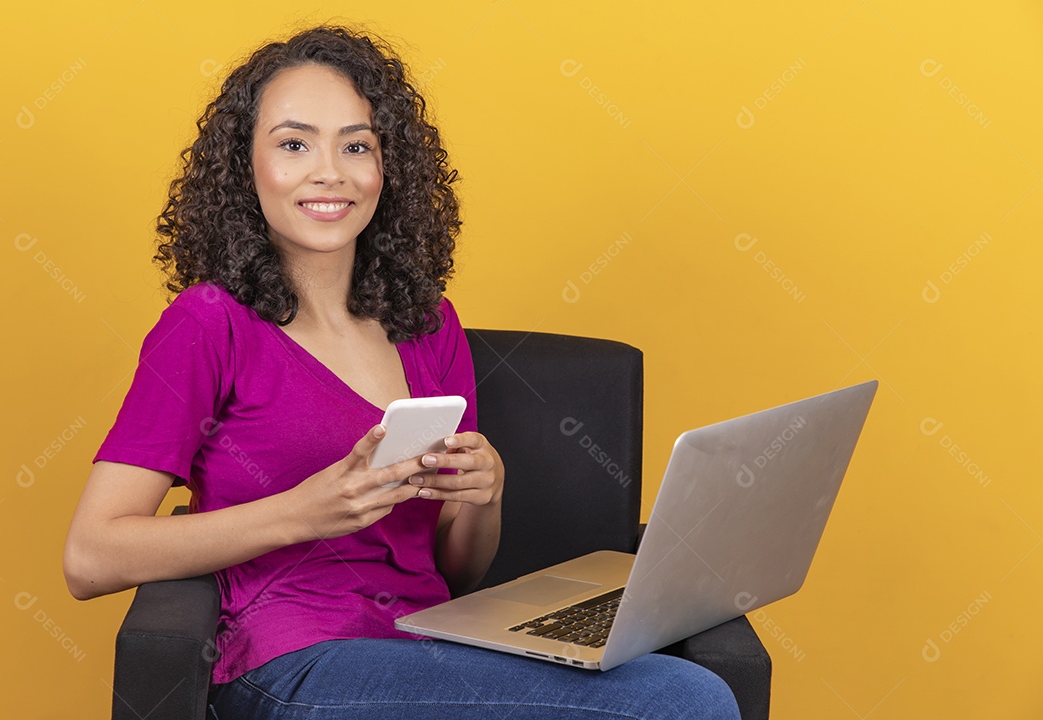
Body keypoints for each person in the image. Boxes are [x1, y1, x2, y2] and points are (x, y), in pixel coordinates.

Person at [63, 24, 742, 720]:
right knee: (684, 698)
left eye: (356, 145)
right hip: (294, 662)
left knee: (660, 678)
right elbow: (91, 556)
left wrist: (485, 494)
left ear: (388, 170)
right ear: (245, 167)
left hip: (429, 649)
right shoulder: (209, 324)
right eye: (294, 143)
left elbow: (456, 570)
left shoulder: (426, 323)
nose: (330, 171)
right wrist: (303, 512)